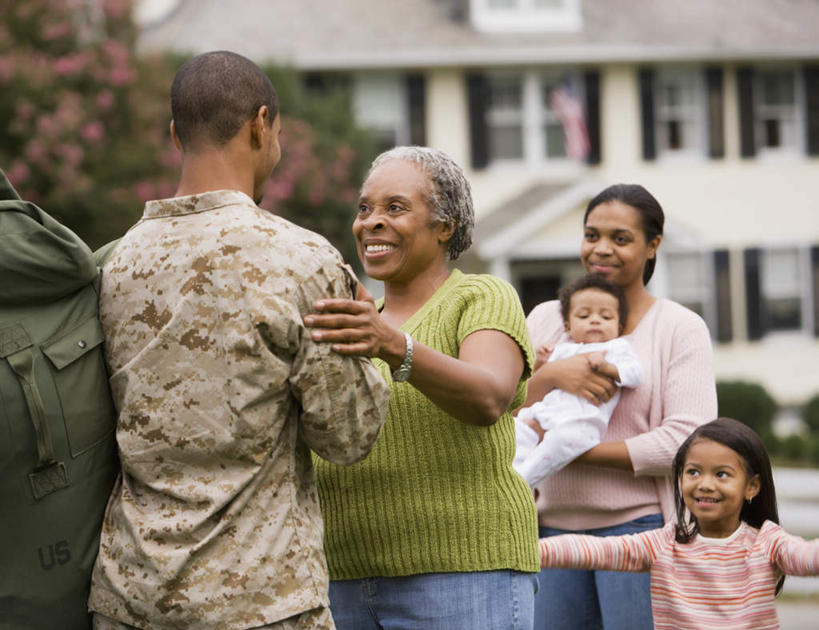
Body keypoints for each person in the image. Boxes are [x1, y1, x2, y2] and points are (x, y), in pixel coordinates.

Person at [88, 51, 389, 630]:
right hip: (261, 599)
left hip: (130, 596)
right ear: (260, 124)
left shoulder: (116, 264)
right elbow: (348, 436)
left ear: (176, 134)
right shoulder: (300, 260)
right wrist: (377, 358)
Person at [304, 146, 539, 630]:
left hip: (465, 573)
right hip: (341, 577)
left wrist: (393, 345)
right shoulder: (351, 320)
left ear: (445, 226)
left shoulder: (481, 296)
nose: (371, 222)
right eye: (365, 208)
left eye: (395, 208)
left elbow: (490, 396)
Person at [525, 183, 718, 629]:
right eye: (591, 235)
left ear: (653, 246)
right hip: (547, 533)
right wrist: (553, 376)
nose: (601, 250)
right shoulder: (544, 319)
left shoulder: (678, 328)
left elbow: (688, 444)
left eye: (620, 238)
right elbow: (503, 409)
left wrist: (568, 450)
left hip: (639, 533)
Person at [539, 417, 819, 629]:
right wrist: (531, 551)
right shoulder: (664, 543)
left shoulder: (767, 542)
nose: (705, 484)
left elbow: (805, 557)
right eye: (694, 472)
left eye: (722, 474)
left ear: (752, 486)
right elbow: (597, 549)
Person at [513, 274, 642, 488]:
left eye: (606, 317)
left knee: (556, 443)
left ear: (619, 327)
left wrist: (607, 367)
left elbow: (635, 374)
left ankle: (522, 484)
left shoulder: (618, 348)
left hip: (581, 424)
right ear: (568, 326)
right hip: (546, 415)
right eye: (583, 316)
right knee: (518, 430)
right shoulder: (563, 349)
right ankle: (508, 480)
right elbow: (536, 382)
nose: (594, 320)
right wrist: (541, 363)